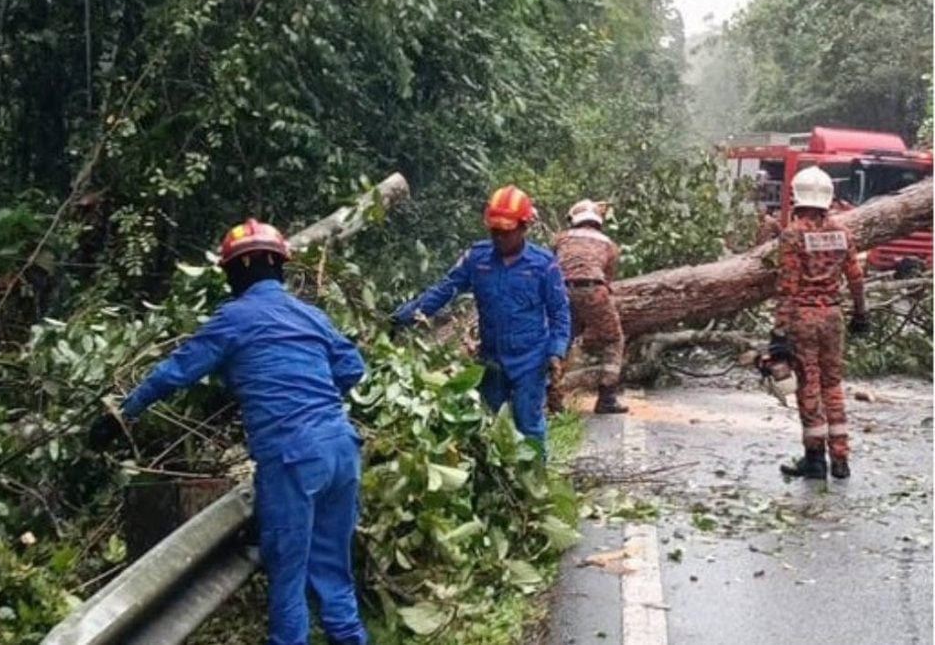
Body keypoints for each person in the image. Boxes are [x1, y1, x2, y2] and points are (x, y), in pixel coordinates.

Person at [88, 219, 369, 645]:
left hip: (293, 457)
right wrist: (305, 389)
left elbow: (175, 372)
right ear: (278, 265)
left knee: (288, 573)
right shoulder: (311, 315)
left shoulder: (233, 319)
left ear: (236, 270)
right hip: (341, 448)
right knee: (333, 568)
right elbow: (352, 368)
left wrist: (121, 415)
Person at [391, 185, 571, 458]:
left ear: (524, 227)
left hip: (530, 360)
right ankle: (499, 478)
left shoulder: (543, 264)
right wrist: (404, 317)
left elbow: (560, 311)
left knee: (528, 425)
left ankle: (535, 478)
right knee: (489, 425)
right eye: (494, 230)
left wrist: (556, 352)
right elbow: (444, 290)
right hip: (491, 359)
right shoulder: (477, 258)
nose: (498, 237)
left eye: (506, 231)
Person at [771, 167, 868, 480]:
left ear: (797, 196)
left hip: (803, 319)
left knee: (809, 386)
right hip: (833, 319)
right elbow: (856, 278)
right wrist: (861, 313)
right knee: (833, 386)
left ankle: (814, 459)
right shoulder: (843, 232)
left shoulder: (793, 234)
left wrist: (779, 331)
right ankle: (841, 459)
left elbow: (787, 287)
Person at [547, 199, 628, 415]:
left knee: (562, 340)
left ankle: (552, 398)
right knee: (613, 339)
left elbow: (550, 265)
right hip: (594, 290)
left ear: (574, 219)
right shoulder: (609, 245)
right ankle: (607, 397)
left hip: (561, 291)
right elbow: (608, 280)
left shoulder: (560, 239)